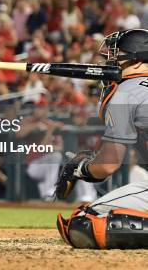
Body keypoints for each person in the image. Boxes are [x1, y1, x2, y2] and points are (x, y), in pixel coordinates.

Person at [56, 29, 148, 249]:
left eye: (117, 55)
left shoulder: (126, 92)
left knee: (86, 222)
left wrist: (80, 168)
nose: (111, 61)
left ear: (136, 58)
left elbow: (107, 165)